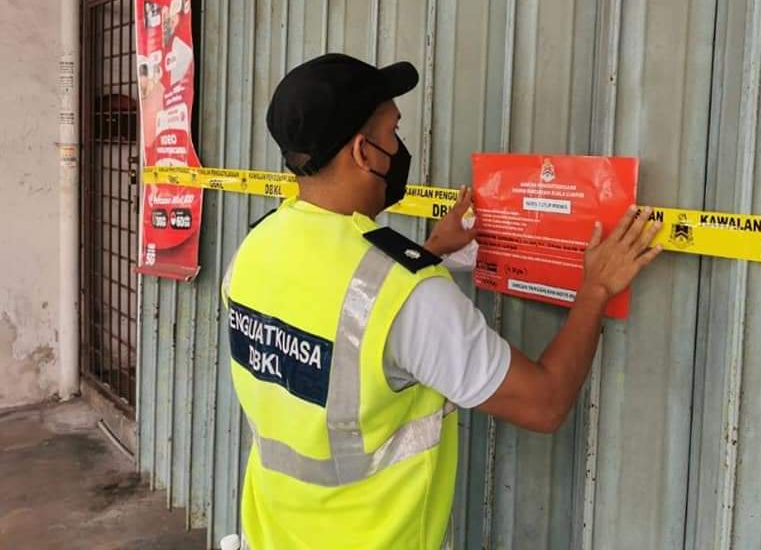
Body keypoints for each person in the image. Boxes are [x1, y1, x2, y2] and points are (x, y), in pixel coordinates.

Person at [222, 53, 663, 550]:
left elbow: (336, 313)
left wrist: (429, 252)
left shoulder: (255, 248)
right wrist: (596, 288)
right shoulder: (408, 294)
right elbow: (543, 403)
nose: (399, 147)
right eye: (393, 132)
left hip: (272, 534)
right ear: (364, 152)